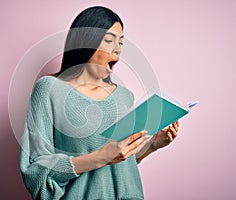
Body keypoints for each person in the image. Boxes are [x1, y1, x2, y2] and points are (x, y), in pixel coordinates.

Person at [20, 6, 179, 200]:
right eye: (109, 40)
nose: (117, 49)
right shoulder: (49, 89)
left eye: (121, 42)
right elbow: (36, 169)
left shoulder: (124, 96)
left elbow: (119, 166)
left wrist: (152, 145)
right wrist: (99, 158)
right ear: (87, 41)